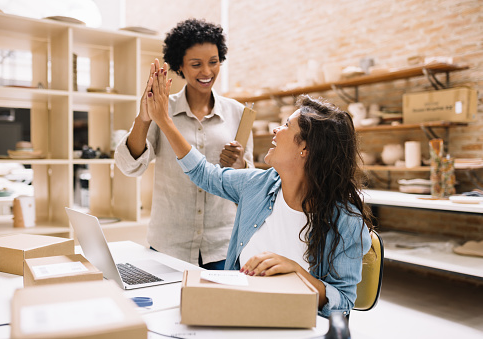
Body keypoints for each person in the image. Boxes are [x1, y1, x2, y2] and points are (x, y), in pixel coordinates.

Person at [145, 68, 374, 317]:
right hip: (239, 311)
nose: (277, 129)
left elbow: (343, 301)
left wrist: (298, 273)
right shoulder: (257, 185)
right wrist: (164, 121)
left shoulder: (346, 221)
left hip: (295, 323)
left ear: (306, 148)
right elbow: (203, 174)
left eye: (287, 125)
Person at [115, 19, 253, 270]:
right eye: (196, 64)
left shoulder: (238, 113)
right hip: (170, 245)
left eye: (213, 62)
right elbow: (129, 167)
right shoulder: (161, 111)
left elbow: (249, 185)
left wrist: (240, 163)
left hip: (222, 246)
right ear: (180, 65)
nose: (207, 72)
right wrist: (144, 117)